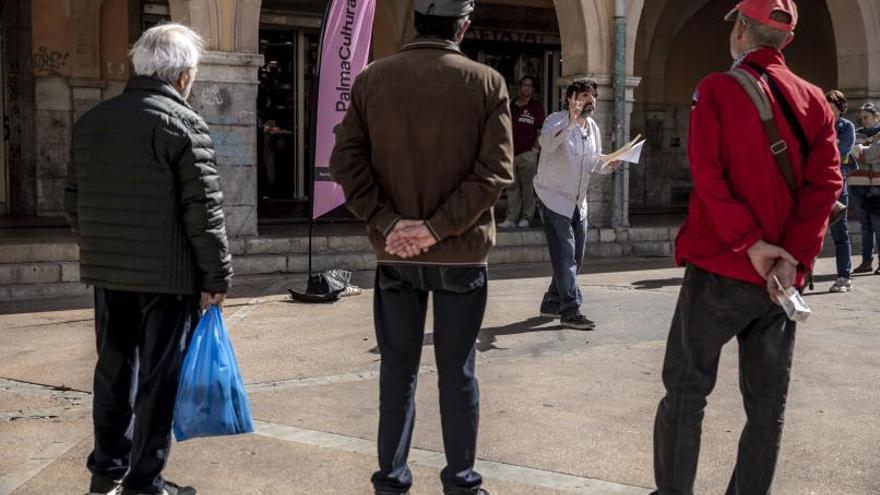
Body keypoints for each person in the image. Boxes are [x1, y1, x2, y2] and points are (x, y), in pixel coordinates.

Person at [651, 1, 842, 494]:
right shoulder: (816, 101)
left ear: (740, 30)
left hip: (720, 265)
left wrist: (749, 243)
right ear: (786, 40)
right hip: (780, 281)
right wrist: (792, 256)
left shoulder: (716, 90)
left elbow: (708, 176)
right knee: (767, 407)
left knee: (687, 391)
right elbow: (826, 185)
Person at [328, 0, 513, 493]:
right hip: (461, 253)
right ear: (464, 25)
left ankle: (391, 480)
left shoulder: (372, 79)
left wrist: (391, 223)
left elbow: (345, 164)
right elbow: (494, 174)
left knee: (397, 372)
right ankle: (462, 482)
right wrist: (436, 229)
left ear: (416, 21)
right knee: (458, 372)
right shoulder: (487, 83)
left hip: (395, 255)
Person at [64, 23, 232, 495]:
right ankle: (144, 481)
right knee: (159, 380)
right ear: (181, 76)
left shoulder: (92, 121)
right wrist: (216, 276)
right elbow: (204, 213)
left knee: (113, 369)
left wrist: (102, 246)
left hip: (109, 273)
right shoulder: (183, 124)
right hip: (169, 277)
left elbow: (71, 201)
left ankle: (108, 464)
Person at [533, 77, 620, 330]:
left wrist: (609, 164)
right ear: (570, 99)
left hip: (577, 203)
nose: (590, 100)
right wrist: (570, 121)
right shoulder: (555, 120)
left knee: (574, 258)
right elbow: (546, 144)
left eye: (592, 96)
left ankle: (551, 301)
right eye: (583, 96)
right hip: (553, 198)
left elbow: (593, 161)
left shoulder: (592, 127)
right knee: (565, 257)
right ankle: (571, 310)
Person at [498, 76, 546, 229]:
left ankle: (526, 217)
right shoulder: (511, 106)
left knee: (528, 188)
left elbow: (541, 132)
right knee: (511, 188)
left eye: (529, 86)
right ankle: (511, 218)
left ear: (533, 89)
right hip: (509, 153)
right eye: (524, 85)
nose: (526, 88)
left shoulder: (536, 108)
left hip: (527, 154)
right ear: (519, 87)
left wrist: (535, 150)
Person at [825, 90, 857, 291]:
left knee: (839, 232)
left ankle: (844, 277)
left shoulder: (847, 127)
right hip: (818, 185)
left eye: (830, 104)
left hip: (837, 185)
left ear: (839, 107)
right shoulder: (819, 125)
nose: (826, 108)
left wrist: (826, 146)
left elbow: (842, 151)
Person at [850, 102, 880, 274]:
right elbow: (846, 154)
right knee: (865, 226)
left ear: (877, 117)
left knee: (878, 225)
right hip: (857, 185)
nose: (863, 121)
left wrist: (860, 149)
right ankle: (866, 262)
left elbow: (870, 155)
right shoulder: (855, 134)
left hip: (877, 186)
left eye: (866, 117)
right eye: (860, 118)